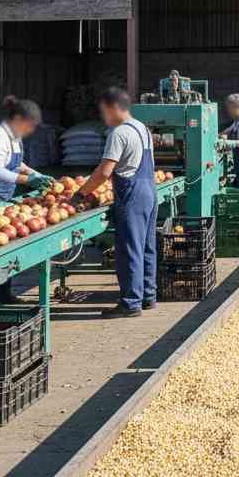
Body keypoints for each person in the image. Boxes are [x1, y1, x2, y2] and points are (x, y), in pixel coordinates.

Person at [73, 88, 157, 318]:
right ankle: (148, 296)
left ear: (114, 108)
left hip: (132, 195)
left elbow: (104, 172)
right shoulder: (142, 128)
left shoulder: (119, 133)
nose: (104, 117)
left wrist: (81, 193)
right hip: (149, 190)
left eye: (104, 111)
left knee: (130, 249)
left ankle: (130, 303)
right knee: (146, 246)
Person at [0, 96, 54, 303]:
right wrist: (27, 180)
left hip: (2, 199)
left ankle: (5, 295)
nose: (30, 130)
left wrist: (36, 174)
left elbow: (16, 164)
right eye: (29, 125)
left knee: (5, 248)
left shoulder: (14, 137)